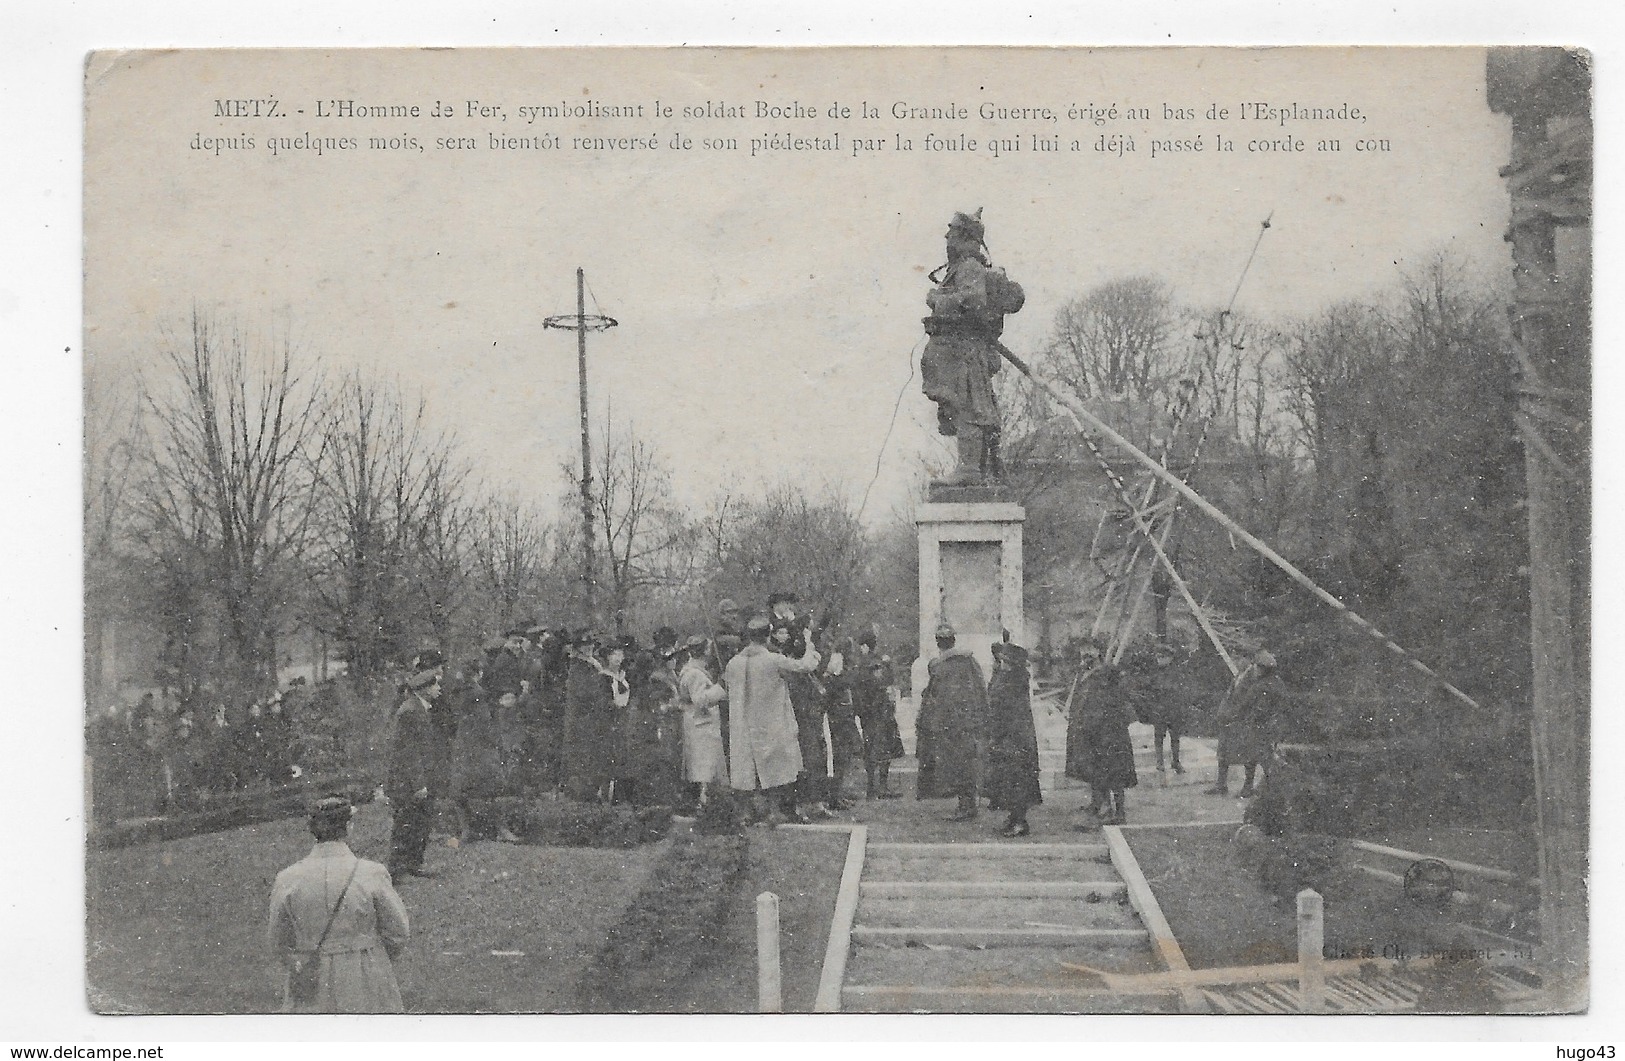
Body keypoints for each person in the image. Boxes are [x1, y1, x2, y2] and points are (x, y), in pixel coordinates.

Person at [268, 793, 409, 1013]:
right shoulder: (371, 873)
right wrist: (370, 954)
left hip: (311, 976)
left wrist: (301, 959)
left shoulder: (288, 878)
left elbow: (279, 940)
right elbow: (398, 932)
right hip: (365, 974)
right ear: (348, 827)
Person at [920, 208, 1026, 485]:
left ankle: (970, 470)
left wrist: (938, 301)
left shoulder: (969, 267)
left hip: (965, 352)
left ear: (964, 236)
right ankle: (980, 469)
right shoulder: (960, 269)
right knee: (967, 406)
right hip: (956, 350)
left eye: (952, 232)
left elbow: (974, 300)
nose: (946, 237)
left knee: (969, 407)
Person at [724, 614, 821, 826]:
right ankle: (774, 811)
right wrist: (811, 645)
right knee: (779, 766)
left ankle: (748, 812)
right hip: (771, 722)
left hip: (742, 725)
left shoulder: (733, 663)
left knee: (748, 768)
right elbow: (805, 665)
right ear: (767, 636)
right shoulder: (773, 659)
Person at [917, 623, 990, 822]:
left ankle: (966, 806)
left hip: (949, 725)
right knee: (967, 763)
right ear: (953, 640)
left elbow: (933, 699)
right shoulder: (970, 662)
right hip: (968, 723)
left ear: (938, 643)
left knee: (957, 765)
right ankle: (968, 804)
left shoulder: (939, 667)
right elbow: (981, 691)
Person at [769, 593, 830, 820]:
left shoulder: (795, 630)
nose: (789, 607)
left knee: (811, 748)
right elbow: (801, 661)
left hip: (804, 692)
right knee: (798, 750)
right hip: (791, 694)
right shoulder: (775, 643)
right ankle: (799, 802)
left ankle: (814, 800)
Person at [386, 659, 446, 881]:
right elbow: (408, 752)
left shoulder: (420, 708)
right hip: (408, 781)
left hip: (418, 778)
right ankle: (397, 870)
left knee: (421, 822)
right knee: (406, 823)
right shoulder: (410, 711)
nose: (439, 689)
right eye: (436, 685)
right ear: (425, 689)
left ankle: (413, 865)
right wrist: (418, 784)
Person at [1207, 649, 1287, 797]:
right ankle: (1226, 785)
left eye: (1241, 658)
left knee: (1256, 756)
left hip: (1252, 722)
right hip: (1239, 719)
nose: (1238, 661)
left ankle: (1258, 787)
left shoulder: (1258, 682)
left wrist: (1237, 716)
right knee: (1229, 753)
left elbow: (1250, 704)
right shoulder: (1244, 675)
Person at [986, 639, 1042, 837]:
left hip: (1014, 738)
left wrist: (998, 734)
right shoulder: (1009, 679)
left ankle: (1019, 822)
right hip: (1009, 737)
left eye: (1004, 661)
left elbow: (1007, 711)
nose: (1001, 664)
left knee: (1017, 780)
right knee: (1009, 781)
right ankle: (1013, 818)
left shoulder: (1014, 682)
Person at [1073, 663, 1138, 827]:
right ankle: (1116, 812)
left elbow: (1094, 720)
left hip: (1107, 744)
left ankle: (1112, 811)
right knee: (1114, 781)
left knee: (1109, 779)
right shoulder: (1119, 695)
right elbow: (1130, 717)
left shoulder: (1103, 697)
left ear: (1105, 680)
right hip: (1117, 744)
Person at [562, 631, 624, 802]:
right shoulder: (578, 667)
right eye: (583, 646)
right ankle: (582, 796)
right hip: (583, 720)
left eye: (590, 645)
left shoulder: (593, 664)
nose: (588, 648)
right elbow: (586, 695)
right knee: (584, 759)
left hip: (592, 719)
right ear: (577, 648)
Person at [677, 634, 729, 811]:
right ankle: (704, 804)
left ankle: (706, 801)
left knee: (706, 765)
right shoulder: (694, 674)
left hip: (702, 723)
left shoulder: (697, 671)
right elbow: (700, 700)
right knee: (703, 767)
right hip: (700, 724)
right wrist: (720, 687)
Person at [852, 632, 904, 799]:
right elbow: (887, 682)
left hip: (870, 713)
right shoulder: (881, 662)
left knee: (872, 749)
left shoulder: (863, 664)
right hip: (881, 711)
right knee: (883, 749)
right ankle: (880, 786)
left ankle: (872, 787)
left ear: (865, 646)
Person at [1132, 641, 1189, 776]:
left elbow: (1179, 690)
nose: (1159, 660)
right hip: (1159, 710)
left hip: (1173, 709)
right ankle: (1160, 762)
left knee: (1175, 736)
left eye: (1162, 657)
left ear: (1169, 658)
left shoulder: (1176, 673)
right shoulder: (1155, 672)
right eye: (1158, 657)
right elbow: (1147, 686)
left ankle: (1175, 761)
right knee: (1159, 736)